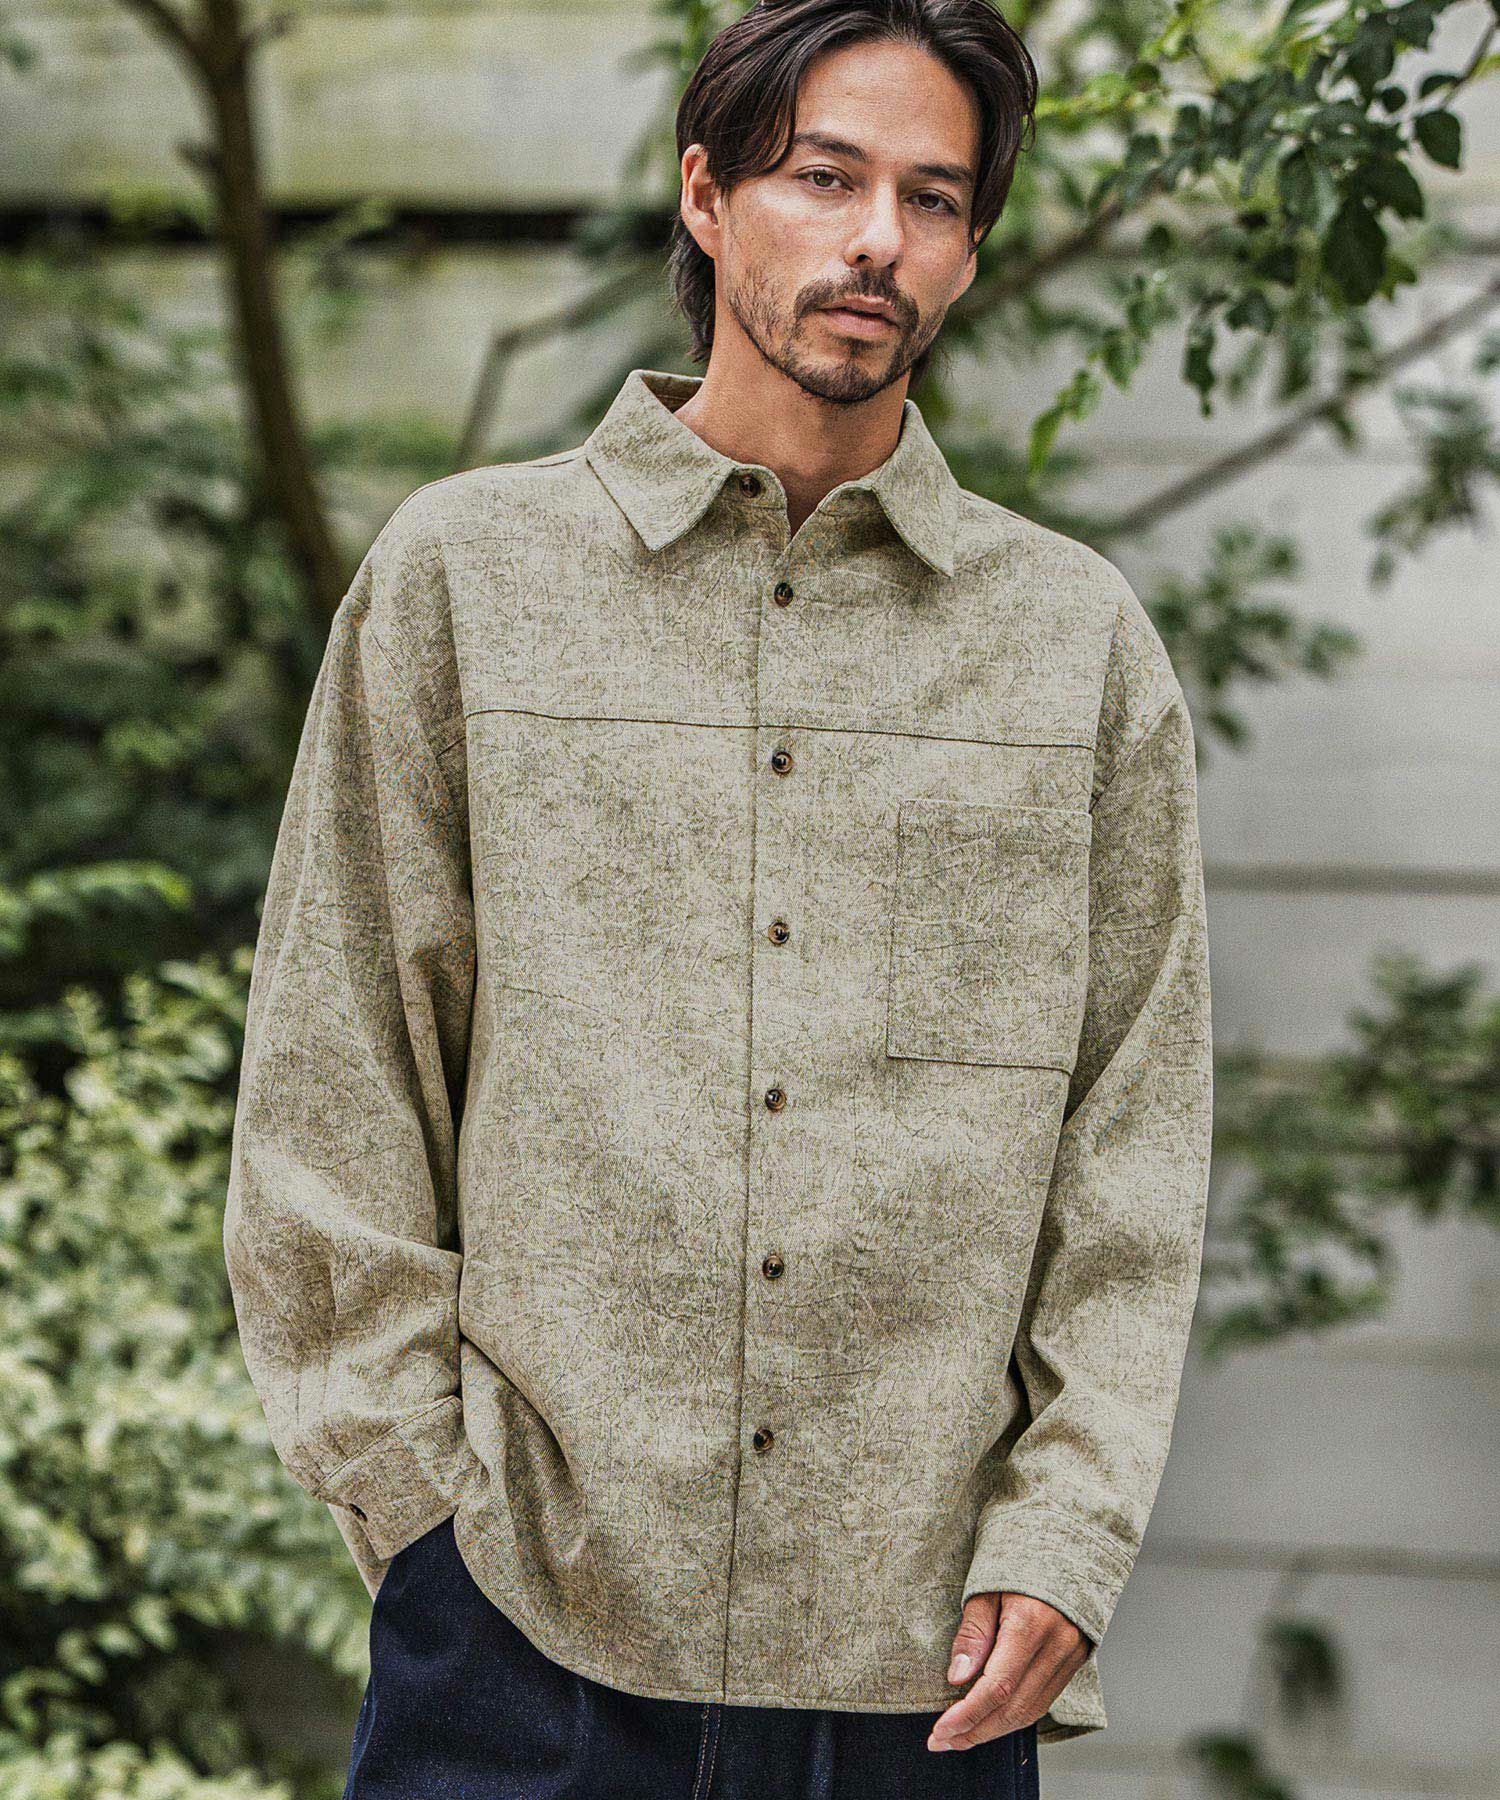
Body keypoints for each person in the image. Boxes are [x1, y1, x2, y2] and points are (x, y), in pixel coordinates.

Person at [222, 2, 1214, 1795]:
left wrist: (1070, 1532)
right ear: (705, 194)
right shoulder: (466, 583)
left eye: (932, 198)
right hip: (517, 1644)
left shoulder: (1074, 649)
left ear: (969, 245)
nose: (877, 239)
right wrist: (418, 1512)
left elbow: (1132, 1146)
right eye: (825, 178)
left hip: (919, 1677)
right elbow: (335, 1077)